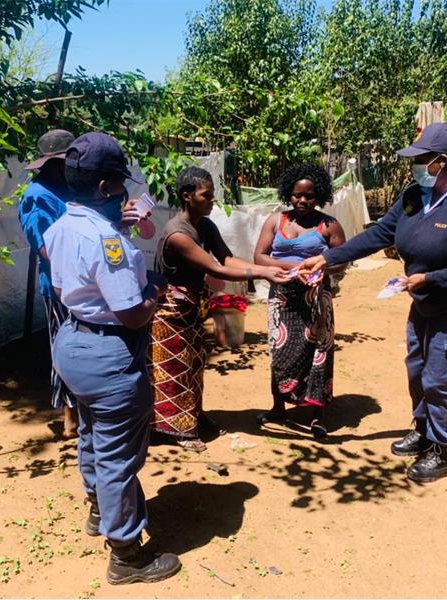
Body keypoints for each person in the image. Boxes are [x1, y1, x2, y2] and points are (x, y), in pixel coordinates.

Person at [299, 123, 447, 482]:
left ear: (441, 162)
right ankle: (425, 428)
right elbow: (382, 233)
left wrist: (431, 278)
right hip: (424, 299)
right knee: (418, 368)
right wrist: (329, 257)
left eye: (421, 159)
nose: (415, 166)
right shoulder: (416, 194)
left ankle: (443, 449)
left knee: (441, 378)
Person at [44, 132, 181, 584]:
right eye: (120, 184)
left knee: (89, 430)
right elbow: (132, 315)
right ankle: (126, 555)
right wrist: (155, 292)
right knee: (119, 455)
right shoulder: (108, 240)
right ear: (106, 188)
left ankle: (98, 510)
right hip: (110, 354)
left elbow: (66, 285)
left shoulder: (61, 226)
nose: (125, 192)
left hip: (72, 342)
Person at [150, 166, 289, 452]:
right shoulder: (178, 234)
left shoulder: (205, 225)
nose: (213, 200)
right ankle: (179, 429)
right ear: (187, 196)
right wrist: (262, 274)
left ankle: (193, 416)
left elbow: (226, 258)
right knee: (173, 368)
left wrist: (269, 268)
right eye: (207, 195)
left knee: (194, 364)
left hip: (189, 307)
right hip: (169, 311)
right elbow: (215, 268)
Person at [253, 163, 346, 439]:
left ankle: (317, 416)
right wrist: (292, 269)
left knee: (318, 354)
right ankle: (278, 407)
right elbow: (259, 256)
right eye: (296, 195)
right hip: (282, 299)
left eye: (309, 196)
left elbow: (343, 259)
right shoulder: (275, 221)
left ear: (320, 196)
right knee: (280, 353)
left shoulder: (329, 225)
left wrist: (319, 270)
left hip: (315, 299)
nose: (302, 200)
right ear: (288, 194)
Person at [17, 129, 79, 439]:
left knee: (82, 345)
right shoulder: (36, 196)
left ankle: (82, 410)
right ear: (52, 163)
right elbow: (45, 248)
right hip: (59, 286)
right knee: (65, 344)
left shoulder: (69, 189)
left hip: (81, 281)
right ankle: (70, 417)